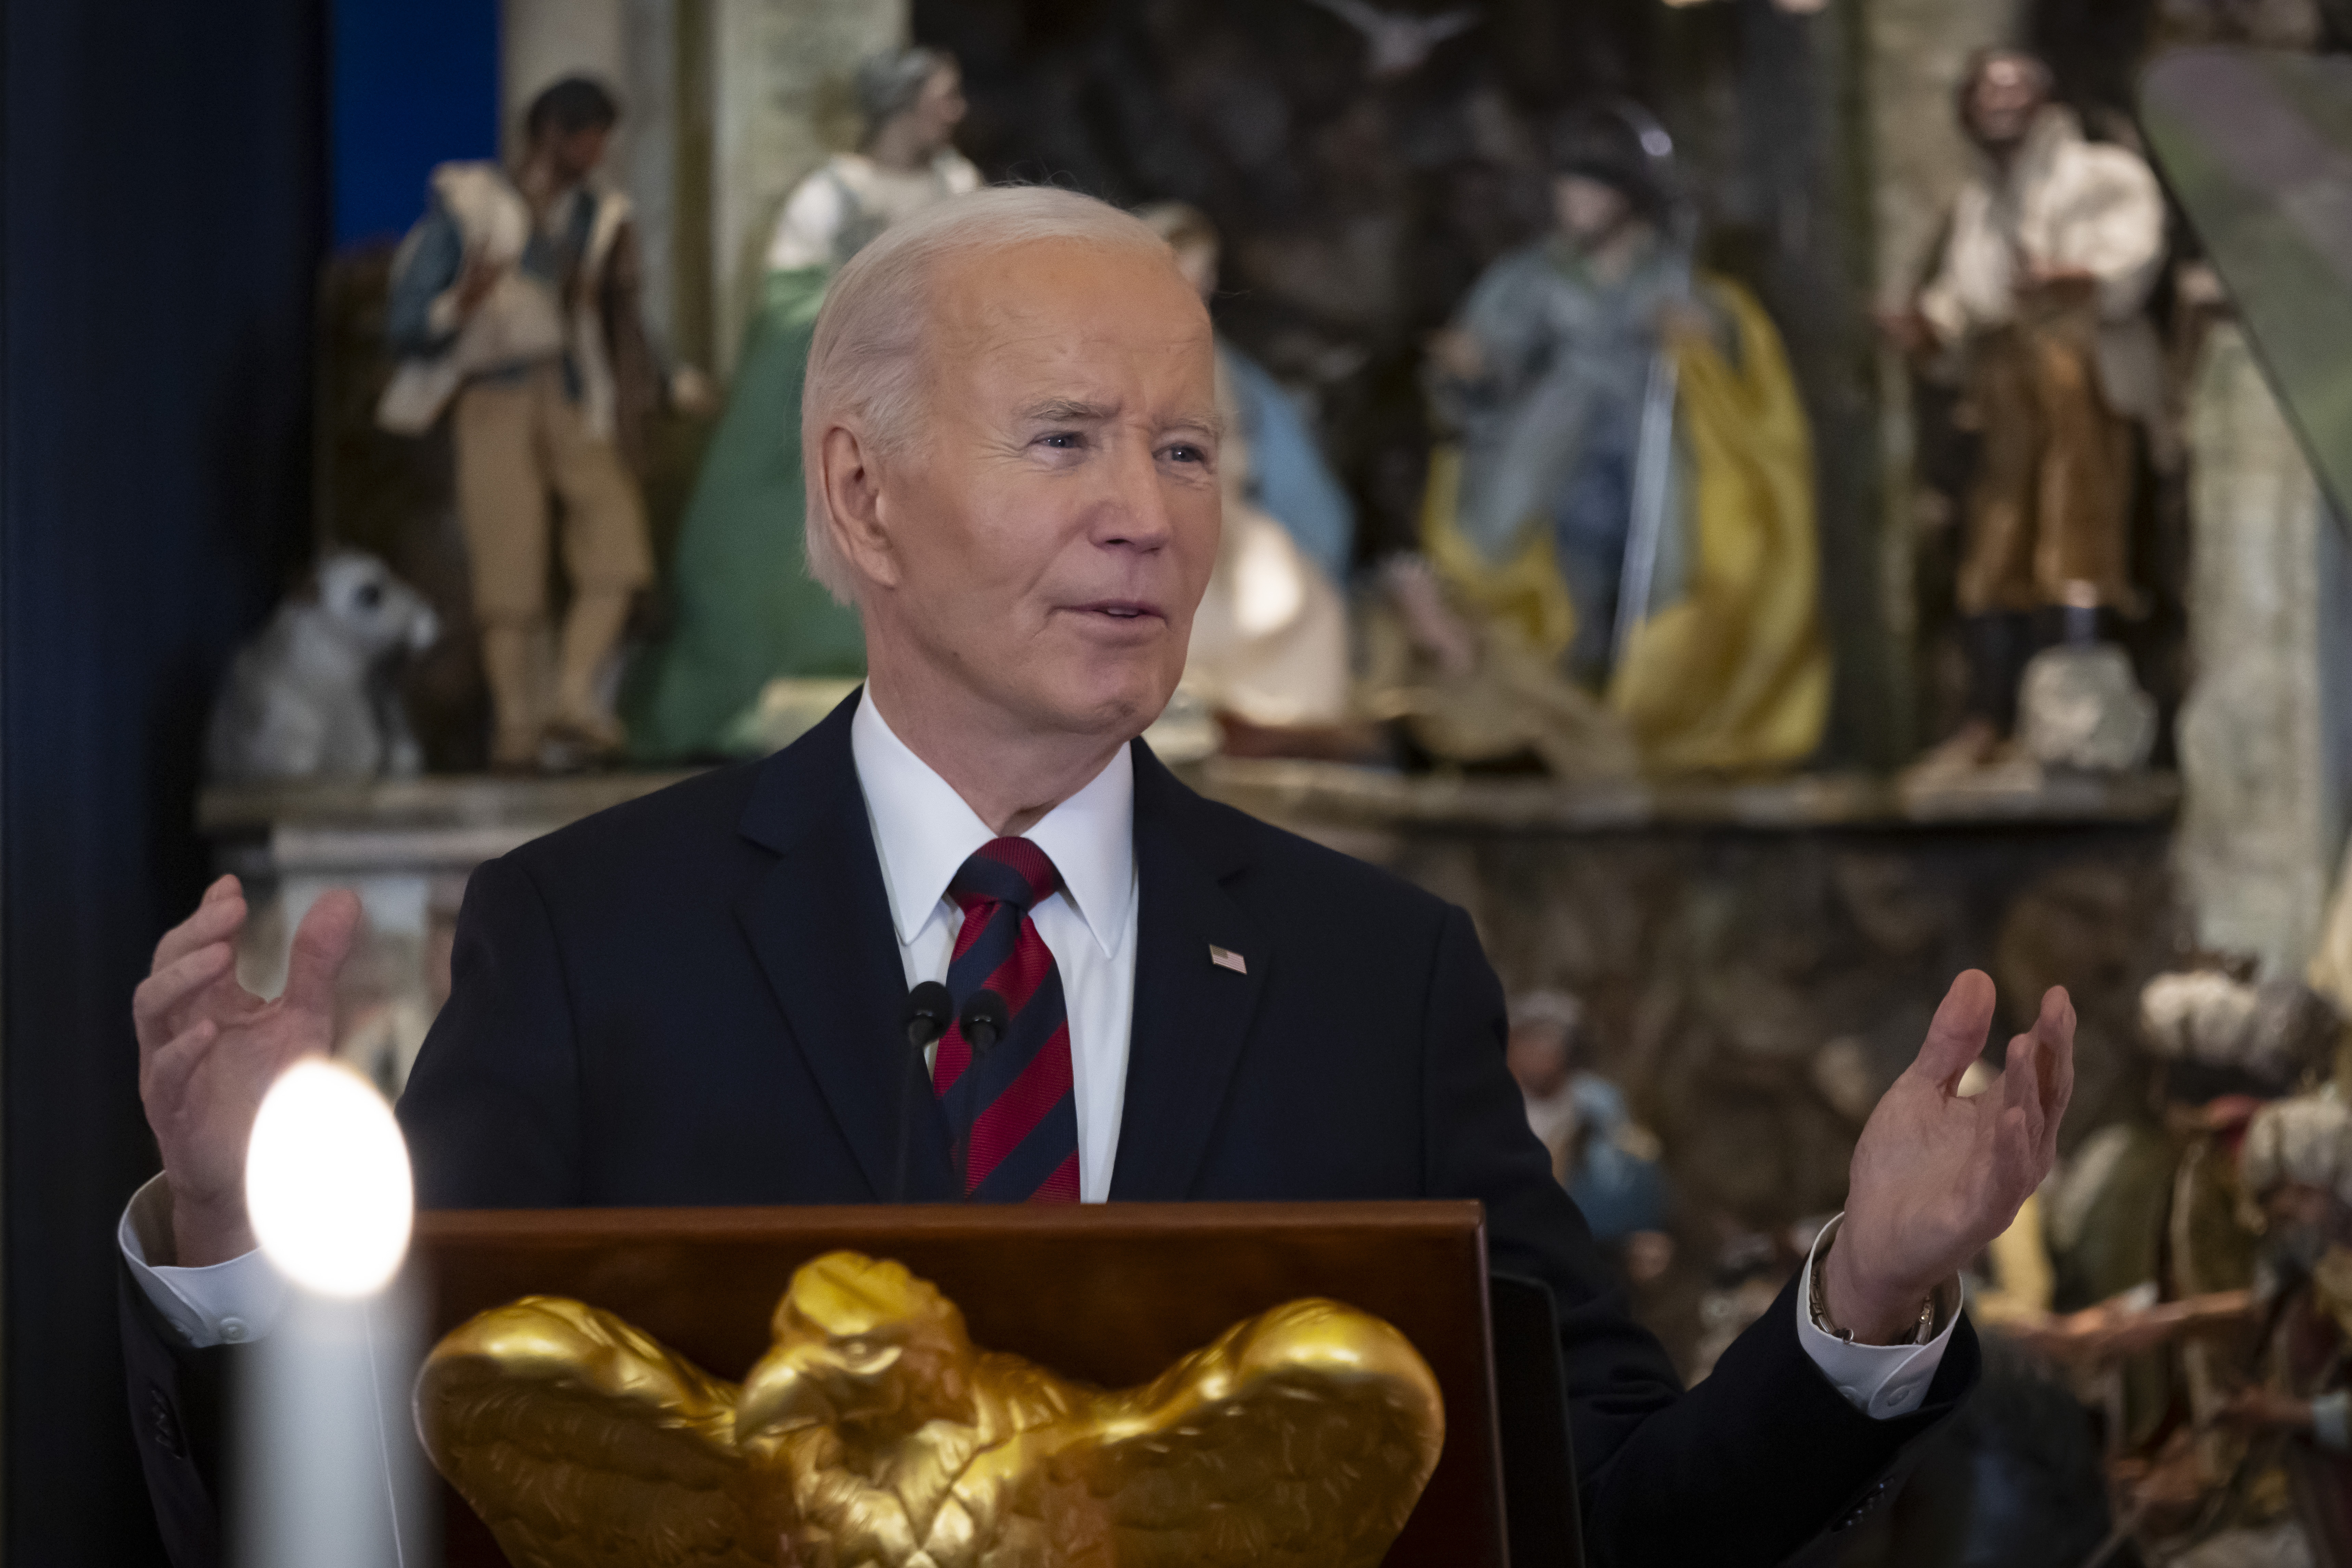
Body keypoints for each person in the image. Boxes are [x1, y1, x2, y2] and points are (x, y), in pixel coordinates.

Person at [123, 188, 2077, 1568]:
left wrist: (1868, 1291)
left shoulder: (1373, 976)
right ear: (860, 493)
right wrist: (228, 1234)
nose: (1145, 519)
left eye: (1184, 451)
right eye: (1064, 440)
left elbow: (1617, 1518)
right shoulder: (590, 939)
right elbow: (374, 1505)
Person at [1421, 107, 1829, 774]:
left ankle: (1643, 711)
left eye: (1591, 188)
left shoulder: (1670, 279)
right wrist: (1472, 368)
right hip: (1556, 464)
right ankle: (1558, 716)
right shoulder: (1531, 278)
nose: (1573, 202)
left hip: (1649, 462)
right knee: (1557, 592)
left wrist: (1704, 338)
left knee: (1658, 584)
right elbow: (1489, 357)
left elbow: (1734, 356)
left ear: (1628, 200)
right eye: (1568, 186)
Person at [631, 46, 978, 761]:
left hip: (938, 393)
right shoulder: (833, 195)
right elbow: (788, 298)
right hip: (843, 390)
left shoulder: (956, 183)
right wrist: (877, 311)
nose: (955, 111)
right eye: (943, 96)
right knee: (793, 530)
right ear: (904, 106)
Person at [1888, 48, 2167, 772]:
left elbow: (2130, 259)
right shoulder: (1981, 204)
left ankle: (2079, 710)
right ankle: (1989, 713)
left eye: (2014, 89)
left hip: (2082, 374)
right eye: (1987, 93)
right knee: (1998, 539)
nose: (2001, 104)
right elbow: (1962, 298)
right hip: (2010, 390)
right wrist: (1928, 329)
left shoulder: (2100, 175)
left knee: (2081, 527)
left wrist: (2077, 277)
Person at [378, 76, 660, 772]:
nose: (595, 150)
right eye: (585, 133)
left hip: (568, 393)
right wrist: (460, 304)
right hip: (492, 394)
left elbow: (614, 318)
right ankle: (519, 726)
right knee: (510, 565)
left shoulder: (598, 213)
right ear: (551, 134)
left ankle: (574, 697)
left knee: (615, 542)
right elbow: (409, 322)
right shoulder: (472, 205)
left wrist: (659, 380)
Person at [1134, 201, 1355, 740]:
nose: (1202, 283)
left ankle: (1260, 714)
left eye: (1207, 273)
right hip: (1148, 503)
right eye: (1190, 268)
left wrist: (1225, 471)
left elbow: (1235, 445)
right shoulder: (1122, 350)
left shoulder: (1216, 356)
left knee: (1302, 598)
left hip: (1219, 505)